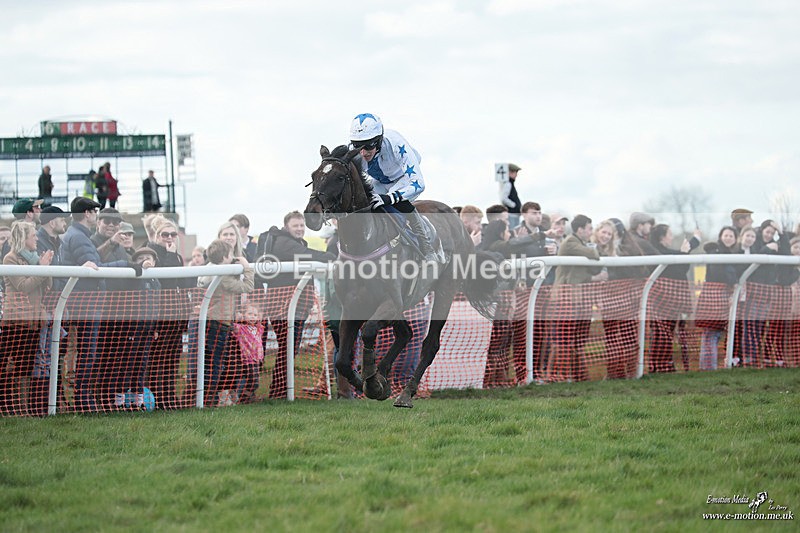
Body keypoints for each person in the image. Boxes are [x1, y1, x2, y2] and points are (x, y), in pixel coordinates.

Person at [60, 197, 142, 411]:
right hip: (87, 303)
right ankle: (84, 400)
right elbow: (96, 266)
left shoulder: (80, 235)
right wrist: (126, 264)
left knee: (93, 354)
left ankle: (87, 399)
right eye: (97, 213)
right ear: (88, 214)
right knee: (89, 353)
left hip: (96, 304)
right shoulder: (80, 236)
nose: (98, 217)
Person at [261, 211, 336, 398]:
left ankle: (280, 390)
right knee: (288, 348)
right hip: (283, 306)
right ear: (287, 227)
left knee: (289, 348)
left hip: (294, 304)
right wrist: (332, 256)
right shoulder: (284, 243)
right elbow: (308, 255)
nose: (300, 229)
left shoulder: (293, 242)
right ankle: (279, 391)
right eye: (296, 225)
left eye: (302, 225)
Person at [349, 113, 437, 262]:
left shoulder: (395, 143)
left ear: (379, 140)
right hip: (381, 180)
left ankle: (427, 247)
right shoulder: (353, 150)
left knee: (396, 201)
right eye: (358, 146)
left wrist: (389, 198)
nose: (363, 152)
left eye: (369, 145)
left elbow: (419, 184)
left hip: (404, 177)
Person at [0, 221, 53, 416]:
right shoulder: (10, 258)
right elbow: (23, 286)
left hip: (33, 320)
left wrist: (44, 267)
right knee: (9, 364)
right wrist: (41, 268)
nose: (37, 238)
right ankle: (8, 406)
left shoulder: (35, 259)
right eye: (33, 235)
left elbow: (48, 284)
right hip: (16, 319)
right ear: (23, 238)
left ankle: (23, 409)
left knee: (26, 366)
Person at [197, 239, 254, 406]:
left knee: (211, 362)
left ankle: (209, 397)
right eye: (230, 255)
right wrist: (247, 267)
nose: (233, 257)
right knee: (215, 364)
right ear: (223, 258)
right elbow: (247, 287)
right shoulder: (223, 277)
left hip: (213, 322)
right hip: (218, 323)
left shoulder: (212, 271)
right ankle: (210, 398)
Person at [145, 218, 194, 410]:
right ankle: (156, 398)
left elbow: (183, 284)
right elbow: (164, 281)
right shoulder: (151, 252)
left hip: (175, 315)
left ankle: (169, 397)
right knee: (157, 360)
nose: (169, 238)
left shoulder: (177, 256)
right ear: (157, 235)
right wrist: (171, 256)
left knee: (172, 360)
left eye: (173, 234)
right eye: (165, 234)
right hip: (159, 315)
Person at [549, 215, 603, 382]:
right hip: (565, 297)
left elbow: (594, 267)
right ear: (580, 230)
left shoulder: (579, 243)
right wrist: (595, 250)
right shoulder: (571, 242)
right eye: (589, 228)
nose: (591, 232)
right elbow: (593, 254)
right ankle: (558, 375)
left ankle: (577, 375)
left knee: (577, 338)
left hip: (576, 298)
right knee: (563, 338)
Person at [648, 223, 701, 373]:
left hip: (669, 301)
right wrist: (685, 251)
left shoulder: (662, 251)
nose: (672, 237)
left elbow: (679, 256)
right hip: (663, 300)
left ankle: (664, 365)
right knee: (661, 334)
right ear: (661, 237)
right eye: (670, 234)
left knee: (667, 332)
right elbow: (679, 267)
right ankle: (660, 365)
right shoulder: (658, 252)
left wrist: (694, 241)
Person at [112, 247, 160, 410]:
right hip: (132, 328)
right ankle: (119, 401)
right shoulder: (133, 278)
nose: (145, 261)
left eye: (148, 258)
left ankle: (138, 401)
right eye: (140, 258)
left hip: (147, 329)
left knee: (141, 364)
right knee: (126, 363)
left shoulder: (156, 281)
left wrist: (155, 327)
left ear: (155, 262)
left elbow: (157, 306)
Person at [696, 227, 739, 371]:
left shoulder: (731, 255)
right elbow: (719, 274)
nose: (728, 238)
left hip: (720, 297)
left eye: (731, 236)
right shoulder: (716, 252)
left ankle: (707, 367)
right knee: (711, 333)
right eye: (726, 235)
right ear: (721, 236)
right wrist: (732, 282)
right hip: (713, 298)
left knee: (713, 334)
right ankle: (708, 368)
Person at [231, 304, 265, 404]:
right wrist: (238, 317)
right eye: (250, 314)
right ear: (243, 315)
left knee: (253, 381)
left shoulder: (259, 329)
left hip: (257, 359)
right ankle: (244, 397)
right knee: (253, 381)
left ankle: (247, 398)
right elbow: (232, 326)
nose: (252, 317)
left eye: (255, 315)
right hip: (247, 359)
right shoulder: (241, 328)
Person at [499, 163, 522, 229]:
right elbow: (504, 198)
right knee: (513, 231)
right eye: (515, 172)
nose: (516, 175)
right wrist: (514, 205)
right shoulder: (507, 184)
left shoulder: (509, 183)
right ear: (509, 172)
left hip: (514, 214)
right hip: (511, 214)